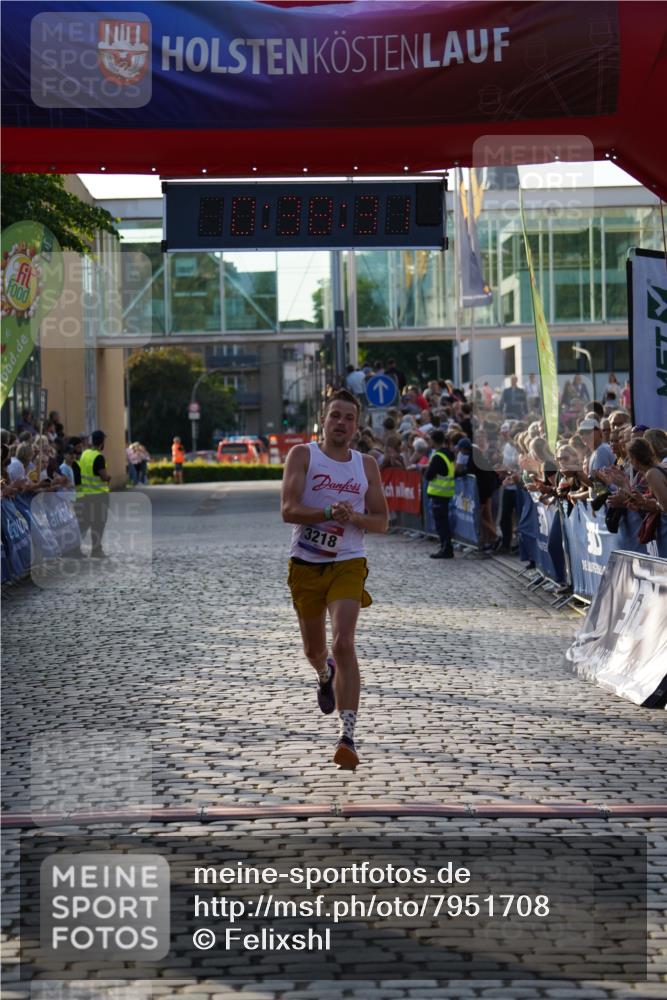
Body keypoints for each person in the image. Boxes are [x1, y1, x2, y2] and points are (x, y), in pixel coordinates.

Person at [280, 388, 388, 771]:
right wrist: (327, 510)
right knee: (315, 649)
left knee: (344, 641)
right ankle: (324, 674)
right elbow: (288, 510)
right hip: (306, 563)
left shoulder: (366, 465)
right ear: (322, 420)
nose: (341, 423)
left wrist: (354, 518)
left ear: (356, 426)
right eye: (335, 416)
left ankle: (348, 736)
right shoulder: (303, 455)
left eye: (349, 418)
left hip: (349, 560)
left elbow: (382, 520)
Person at [78, 429, 111, 558]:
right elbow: (103, 476)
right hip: (99, 496)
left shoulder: (85, 453)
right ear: (102, 442)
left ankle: (74, 547)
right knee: (98, 524)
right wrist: (109, 477)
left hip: (85, 495)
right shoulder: (98, 457)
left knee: (85, 523)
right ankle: (96, 550)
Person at [425, 428, 455, 559]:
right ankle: (446, 546)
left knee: (441, 524)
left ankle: (446, 548)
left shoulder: (437, 456)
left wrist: (426, 470)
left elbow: (429, 475)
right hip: (446, 493)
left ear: (434, 441)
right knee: (444, 522)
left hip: (439, 493)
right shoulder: (448, 453)